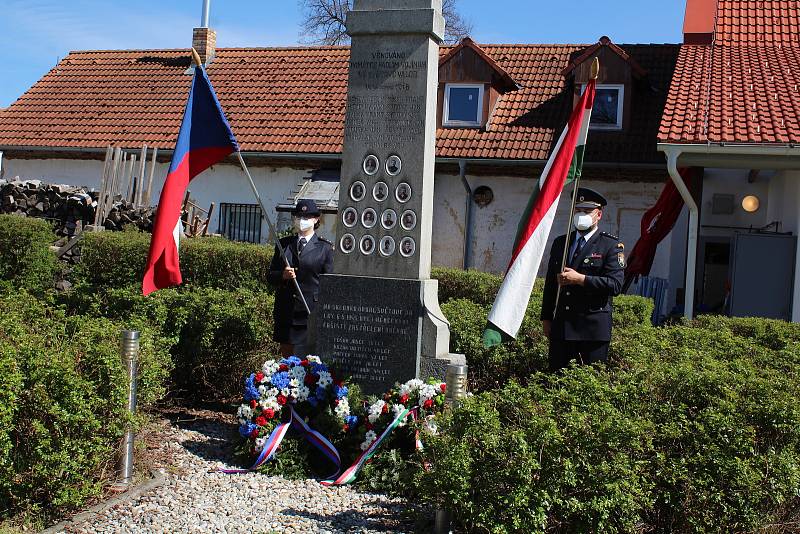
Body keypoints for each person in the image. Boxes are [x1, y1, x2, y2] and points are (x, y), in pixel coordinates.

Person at [540, 187, 625, 372]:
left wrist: (581, 279)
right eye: (578, 211)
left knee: (588, 386)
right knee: (556, 383)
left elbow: (615, 285)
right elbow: (551, 283)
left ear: (599, 215)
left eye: (587, 211)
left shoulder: (610, 245)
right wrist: (547, 318)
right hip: (562, 327)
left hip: (592, 331)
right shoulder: (561, 242)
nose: (581, 215)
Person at [268, 199, 333, 358]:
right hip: (287, 312)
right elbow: (270, 276)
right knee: (287, 362)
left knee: (308, 364)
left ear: (316, 219)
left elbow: (329, 284)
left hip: (309, 313)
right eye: (298, 216)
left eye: (307, 217)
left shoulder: (325, 248)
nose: (301, 220)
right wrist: (282, 275)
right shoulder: (283, 245)